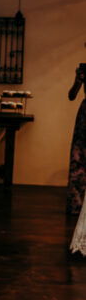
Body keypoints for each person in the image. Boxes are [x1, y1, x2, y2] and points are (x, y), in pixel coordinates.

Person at [67, 58, 86, 215]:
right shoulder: (83, 71)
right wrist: (78, 81)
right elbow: (72, 95)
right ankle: (76, 204)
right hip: (85, 114)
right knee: (78, 158)